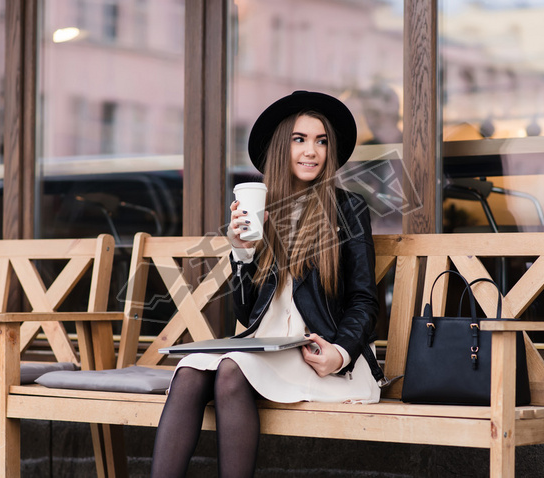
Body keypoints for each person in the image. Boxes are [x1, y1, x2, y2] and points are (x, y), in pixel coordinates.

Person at [151, 91, 385, 478]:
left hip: (321, 356)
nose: (312, 151)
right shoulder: (263, 214)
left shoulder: (348, 209)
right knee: (190, 369)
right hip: (265, 351)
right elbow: (247, 314)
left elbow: (364, 299)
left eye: (321, 141)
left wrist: (340, 353)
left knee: (230, 369)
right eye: (300, 139)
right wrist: (241, 253)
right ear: (281, 148)